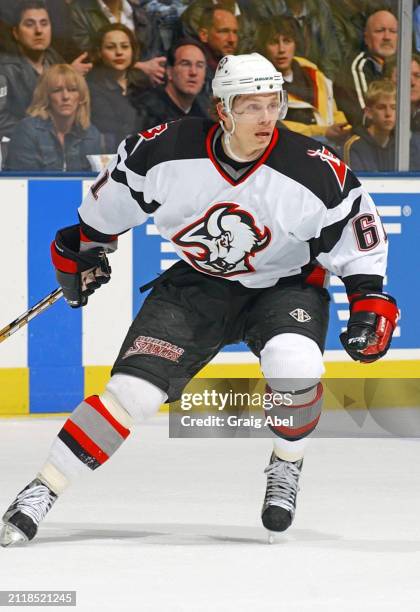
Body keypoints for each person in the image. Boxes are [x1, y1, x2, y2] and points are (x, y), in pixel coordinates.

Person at [0, 53, 398, 547]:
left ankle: (287, 464)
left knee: (293, 364)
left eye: (272, 103)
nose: (266, 117)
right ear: (222, 109)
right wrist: (82, 248)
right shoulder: (163, 151)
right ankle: (43, 488)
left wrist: (369, 301)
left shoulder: (313, 171)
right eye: (251, 106)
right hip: (199, 286)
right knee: (131, 394)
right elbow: (102, 218)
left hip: (285, 285)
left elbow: (359, 242)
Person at [0, 0, 92, 139]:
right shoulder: (4, 69)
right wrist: (41, 132)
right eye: (29, 24)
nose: (39, 31)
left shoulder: (57, 62)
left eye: (44, 24)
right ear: (16, 33)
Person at [257, 16, 351, 146]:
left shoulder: (311, 71)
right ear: (263, 47)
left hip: (331, 148)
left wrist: (344, 129)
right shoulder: (259, 84)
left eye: (287, 41)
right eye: (273, 42)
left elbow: (333, 111)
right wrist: (322, 132)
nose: (281, 49)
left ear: (295, 44)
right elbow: (276, 126)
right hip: (291, 148)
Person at [5, 64, 102, 171]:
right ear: (46, 96)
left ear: (81, 97)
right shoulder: (28, 130)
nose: (65, 97)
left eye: (72, 90)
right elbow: (22, 183)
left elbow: (93, 183)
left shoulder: (91, 134)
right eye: (57, 90)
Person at [69, 0, 167, 85]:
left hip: (143, 89)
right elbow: (87, 58)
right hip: (103, 87)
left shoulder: (141, 13)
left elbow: (155, 57)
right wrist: (139, 67)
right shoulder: (77, 12)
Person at [87, 23, 148, 152]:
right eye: (110, 47)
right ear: (99, 52)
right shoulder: (90, 88)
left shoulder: (143, 84)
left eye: (125, 46)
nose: (119, 52)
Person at [334, 9, 398, 129]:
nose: (387, 37)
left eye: (393, 31)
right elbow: (365, 119)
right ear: (366, 38)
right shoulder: (356, 68)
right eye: (380, 31)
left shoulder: (410, 65)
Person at [130, 38, 209, 131]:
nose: (193, 72)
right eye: (185, 64)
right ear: (169, 71)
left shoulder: (206, 113)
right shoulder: (144, 110)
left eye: (199, 65)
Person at [343, 80, 420, 172]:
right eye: (381, 107)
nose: (388, 114)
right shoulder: (354, 146)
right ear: (368, 112)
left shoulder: (406, 145)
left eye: (393, 107)